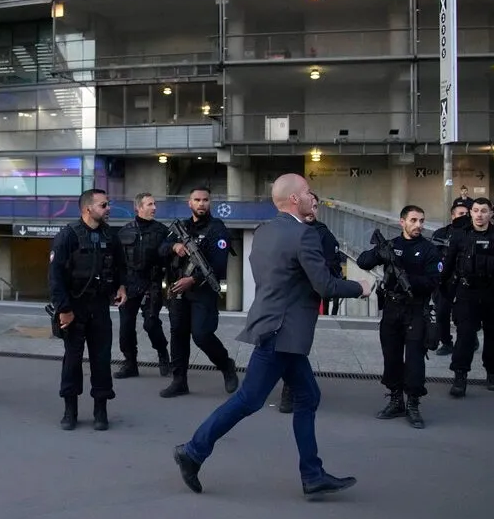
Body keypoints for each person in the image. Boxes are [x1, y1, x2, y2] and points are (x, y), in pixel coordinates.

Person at [171, 173, 371, 498]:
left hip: (277, 327)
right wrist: (361, 287)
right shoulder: (304, 235)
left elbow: (277, 278)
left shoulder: (264, 232)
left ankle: (313, 474)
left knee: (308, 397)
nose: (311, 196)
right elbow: (325, 285)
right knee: (248, 400)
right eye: (307, 192)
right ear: (294, 199)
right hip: (282, 331)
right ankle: (192, 452)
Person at [356, 206, 442, 429]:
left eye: (421, 220)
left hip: (416, 310)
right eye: (413, 220)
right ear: (402, 222)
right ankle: (396, 400)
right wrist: (379, 253)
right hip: (393, 309)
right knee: (391, 357)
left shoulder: (429, 249)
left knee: (414, 360)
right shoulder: (392, 245)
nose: (418, 225)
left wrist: (409, 279)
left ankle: (413, 403)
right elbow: (363, 262)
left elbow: (434, 281)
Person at [48, 189, 127, 431]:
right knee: (72, 360)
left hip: (100, 307)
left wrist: (122, 287)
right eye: (103, 205)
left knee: (101, 360)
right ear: (87, 209)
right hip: (74, 307)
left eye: (108, 204)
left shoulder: (110, 235)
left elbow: (121, 266)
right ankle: (70, 410)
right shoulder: (68, 236)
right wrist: (64, 309)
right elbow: (55, 277)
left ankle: (100, 411)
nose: (108, 209)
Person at [159, 186, 240, 399]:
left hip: (202, 292)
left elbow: (219, 266)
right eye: (197, 200)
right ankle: (179, 381)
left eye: (205, 200)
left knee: (202, 335)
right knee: (178, 335)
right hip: (178, 291)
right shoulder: (181, 227)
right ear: (190, 203)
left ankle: (226, 365)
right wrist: (174, 247)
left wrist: (193, 279)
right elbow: (160, 249)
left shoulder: (217, 229)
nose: (201, 203)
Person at [441, 198, 494, 397]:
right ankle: (460, 376)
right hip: (467, 293)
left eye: (484, 211)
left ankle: (493, 373)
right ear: (470, 213)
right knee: (465, 336)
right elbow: (448, 267)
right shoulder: (460, 236)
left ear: (491, 213)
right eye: (476, 211)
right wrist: (443, 293)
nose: (479, 215)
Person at [278, 192, 342, 413]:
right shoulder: (286, 229)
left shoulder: (323, 234)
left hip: (306, 299)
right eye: (309, 205)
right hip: (283, 296)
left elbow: (332, 268)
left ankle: (291, 390)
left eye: (316, 206)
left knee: (297, 346)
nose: (312, 210)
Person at [113, 192, 171, 379]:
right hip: (129, 285)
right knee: (126, 328)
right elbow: (117, 263)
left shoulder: (163, 232)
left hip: (151, 284)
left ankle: (163, 355)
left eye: (154, 204)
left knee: (151, 324)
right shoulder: (123, 232)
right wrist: (118, 286)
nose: (154, 207)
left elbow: (170, 261)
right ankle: (130, 364)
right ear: (138, 208)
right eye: (149, 204)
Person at [431, 204, 471, 356]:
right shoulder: (441, 233)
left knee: (465, 315)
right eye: (461, 213)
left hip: (465, 281)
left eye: (467, 213)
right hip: (444, 281)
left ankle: (470, 339)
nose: (464, 216)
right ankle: (446, 342)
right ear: (453, 216)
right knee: (441, 313)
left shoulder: (472, 234)